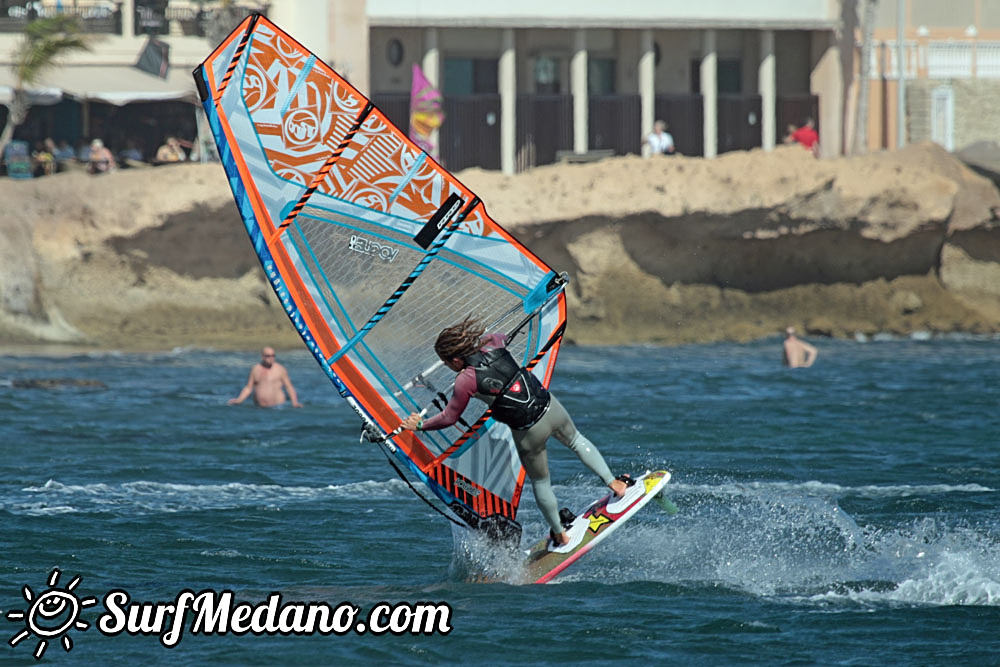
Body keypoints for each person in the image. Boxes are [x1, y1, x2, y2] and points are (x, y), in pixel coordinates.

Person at [399, 317, 629, 547]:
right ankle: (614, 483)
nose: (449, 367)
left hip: (528, 430)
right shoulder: (492, 342)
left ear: (456, 359)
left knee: (541, 481)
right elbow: (503, 337)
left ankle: (560, 533)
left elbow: (449, 417)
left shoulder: (465, 380)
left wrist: (419, 424)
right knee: (577, 440)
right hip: (550, 407)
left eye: (447, 363)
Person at [228, 347, 302, 408]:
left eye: (273, 356)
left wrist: (295, 403)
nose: (271, 358)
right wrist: (239, 400)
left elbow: (289, 387)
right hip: (259, 408)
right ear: (263, 357)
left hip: (278, 407)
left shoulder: (280, 369)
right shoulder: (255, 369)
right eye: (268, 356)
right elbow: (248, 388)